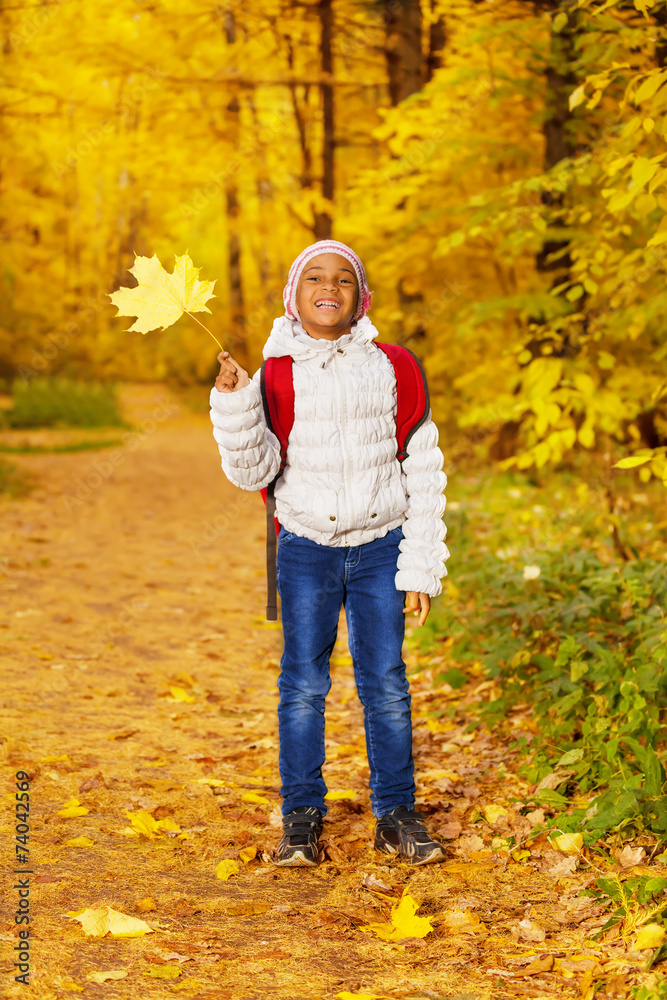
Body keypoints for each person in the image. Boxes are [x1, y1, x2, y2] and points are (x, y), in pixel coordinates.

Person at [209, 239, 450, 867]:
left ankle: (396, 814)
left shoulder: (393, 366)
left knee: (386, 685)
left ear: (359, 296)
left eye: (343, 279)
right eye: (314, 277)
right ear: (294, 295)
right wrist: (237, 404)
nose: (329, 287)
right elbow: (254, 470)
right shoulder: (276, 373)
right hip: (306, 548)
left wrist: (419, 562)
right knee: (303, 685)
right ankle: (300, 819)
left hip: (381, 546)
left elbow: (421, 466)